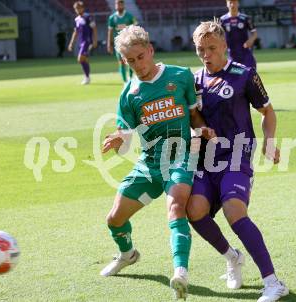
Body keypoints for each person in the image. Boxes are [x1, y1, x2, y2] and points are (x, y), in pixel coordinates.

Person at [99, 25, 216, 300]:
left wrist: (203, 130)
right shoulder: (129, 94)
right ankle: (128, 254)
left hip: (181, 156)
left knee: (176, 207)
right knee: (114, 219)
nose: (137, 65)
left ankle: (180, 272)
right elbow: (126, 141)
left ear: (150, 51)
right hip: (150, 163)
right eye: (130, 61)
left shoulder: (181, 76)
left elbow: (194, 116)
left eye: (140, 57)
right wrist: (119, 140)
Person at [187, 20, 289, 302]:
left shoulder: (244, 74)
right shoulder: (193, 81)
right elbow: (191, 120)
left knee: (234, 211)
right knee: (194, 211)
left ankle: (273, 282)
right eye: (200, 49)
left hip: (237, 156)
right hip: (205, 161)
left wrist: (269, 141)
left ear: (224, 47)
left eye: (211, 48)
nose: (206, 54)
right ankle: (232, 258)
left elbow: (267, 112)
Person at [220, 0, 258, 70]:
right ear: (227, 4)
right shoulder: (223, 20)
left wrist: (251, 40)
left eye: (234, 2)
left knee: (250, 74)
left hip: (245, 53)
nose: (232, 5)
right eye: (230, 2)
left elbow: (254, 33)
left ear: (238, 3)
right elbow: (219, 36)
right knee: (235, 77)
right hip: (232, 55)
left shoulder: (245, 18)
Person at [107, 0, 138, 83]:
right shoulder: (112, 18)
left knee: (130, 60)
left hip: (129, 43)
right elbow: (110, 31)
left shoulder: (130, 16)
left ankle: (131, 77)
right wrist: (109, 44)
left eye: (120, 3)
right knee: (121, 62)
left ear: (123, 5)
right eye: (117, 3)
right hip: (118, 44)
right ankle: (125, 81)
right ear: (115, 5)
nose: (118, 5)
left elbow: (136, 27)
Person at [68, 1, 98, 85]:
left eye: (79, 8)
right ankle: (87, 77)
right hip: (81, 42)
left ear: (83, 8)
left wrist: (95, 40)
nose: (77, 10)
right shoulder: (77, 19)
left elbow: (94, 28)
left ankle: (87, 77)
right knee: (83, 59)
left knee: (80, 59)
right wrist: (71, 43)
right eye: (76, 9)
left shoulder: (88, 17)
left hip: (87, 41)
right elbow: (76, 32)